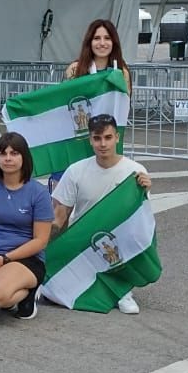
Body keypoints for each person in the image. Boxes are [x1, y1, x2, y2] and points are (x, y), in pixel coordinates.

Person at [52, 113, 153, 314]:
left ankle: (122, 289)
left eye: (108, 137)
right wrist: (50, 252)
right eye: (97, 138)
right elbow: (60, 217)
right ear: (90, 140)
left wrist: (145, 189)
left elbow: (140, 218)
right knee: (54, 291)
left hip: (119, 243)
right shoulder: (75, 171)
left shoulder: (135, 171)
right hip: (83, 244)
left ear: (117, 137)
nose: (103, 144)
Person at [0, 132, 54, 319]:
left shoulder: (38, 193)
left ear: (24, 157)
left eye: (14, 153)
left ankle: (28, 292)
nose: (8, 158)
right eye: (3, 154)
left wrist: (4, 259)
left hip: (26, 258)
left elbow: (41, 240)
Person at [63, 18, 134, 86]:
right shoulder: (74, 69)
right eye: (97, 38)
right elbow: (65, 95)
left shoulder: (123, 73)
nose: (102, 43)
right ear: (89, 42)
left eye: (107, 38)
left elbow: (126, 97)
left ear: (114, 42)